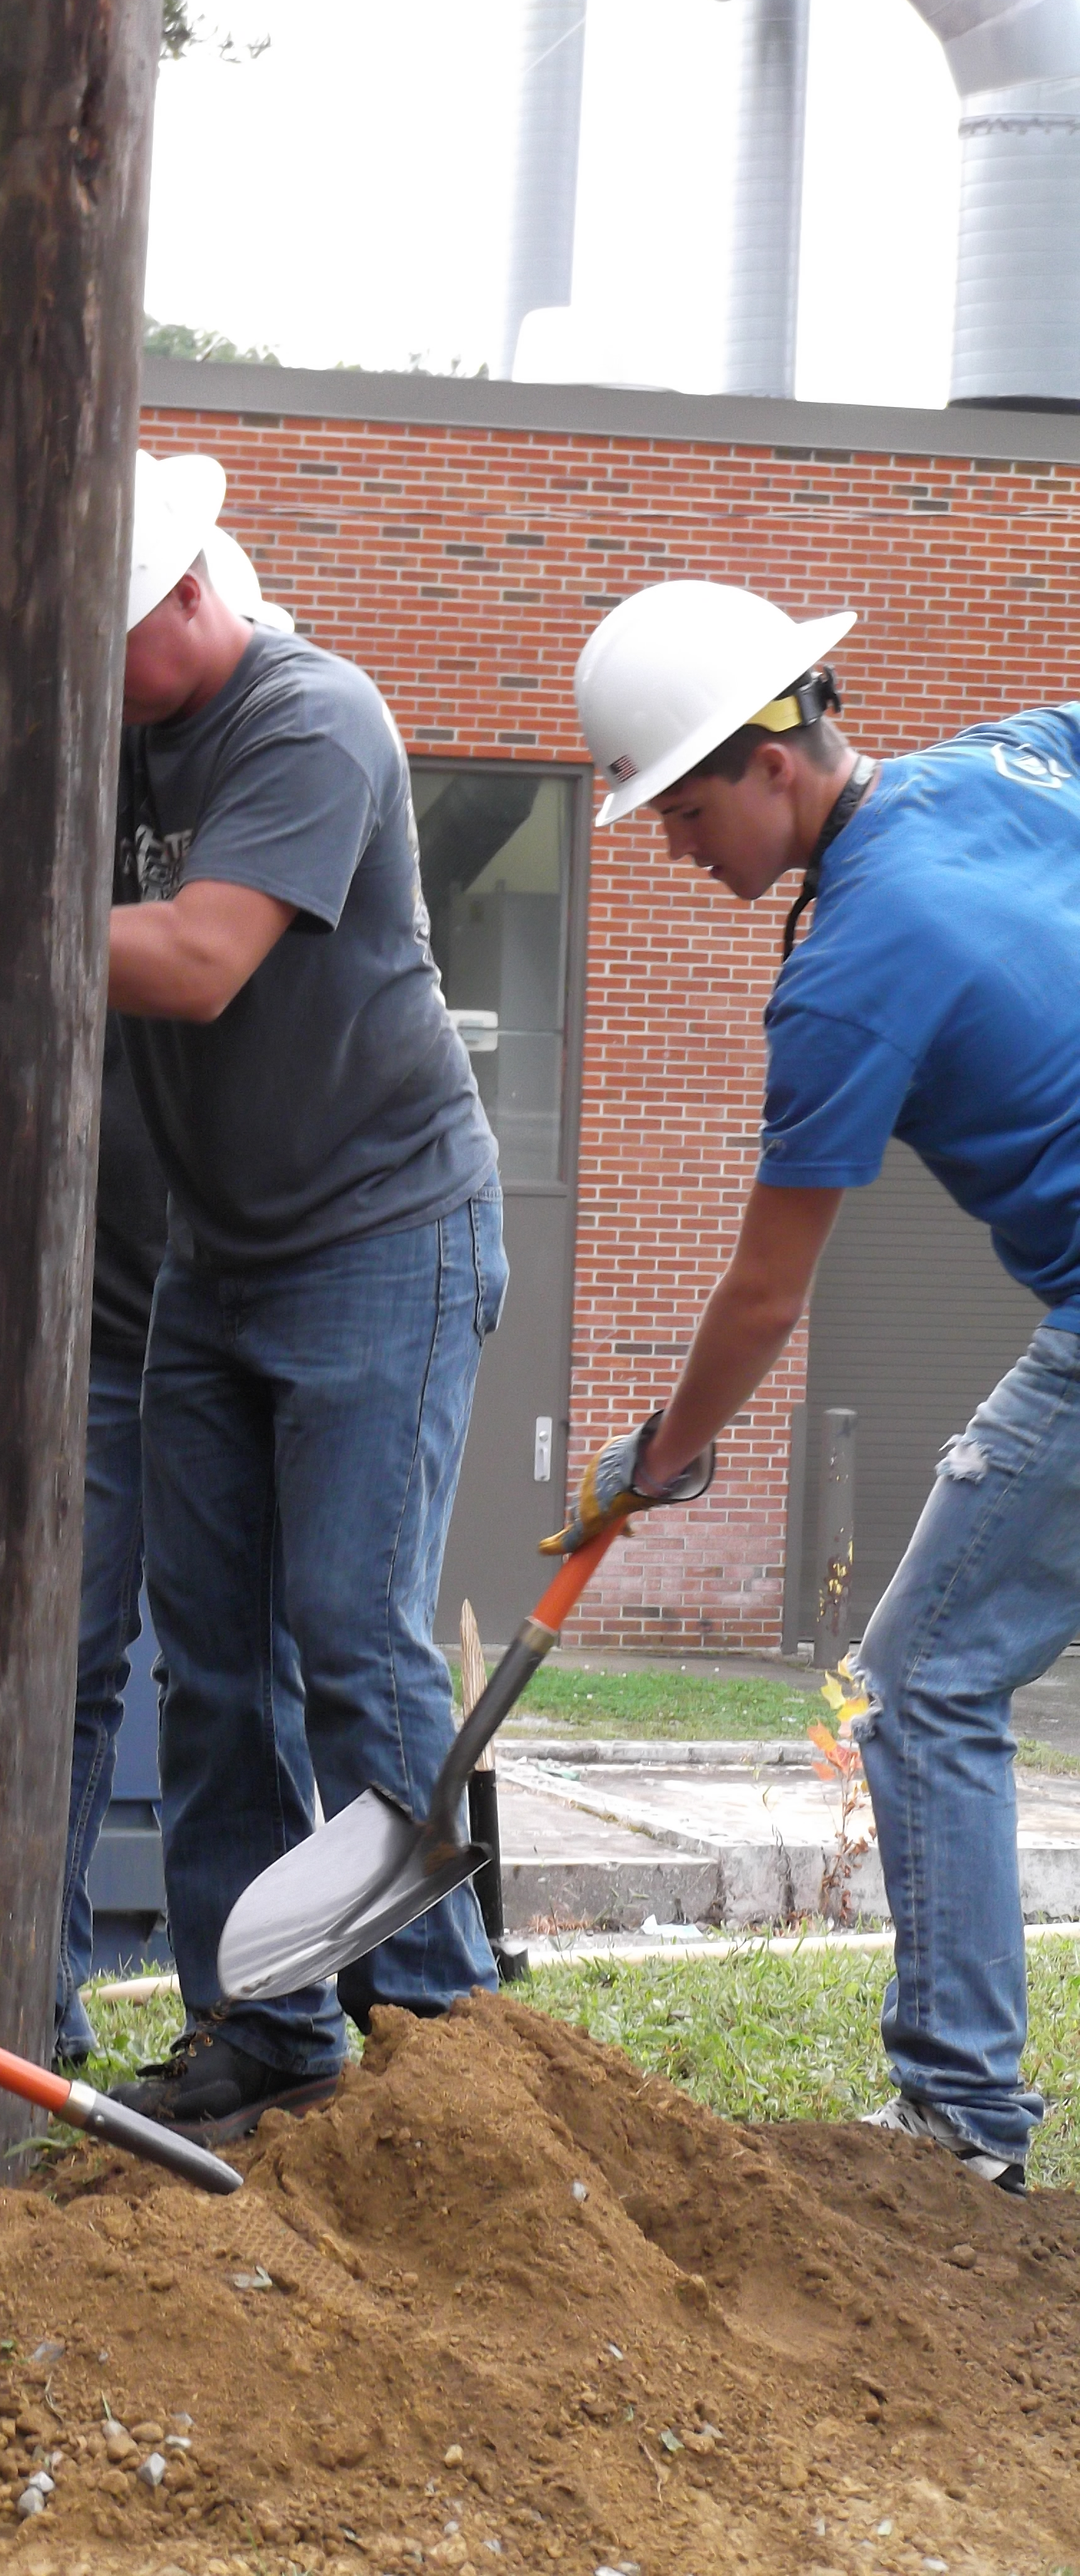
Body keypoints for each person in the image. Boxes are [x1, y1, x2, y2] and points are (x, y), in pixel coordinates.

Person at [555, 577, 1080, 2198]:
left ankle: (962, 2119)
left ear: (773, 763)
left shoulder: (848, 971)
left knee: (923, 1683)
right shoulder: (1006, 764)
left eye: (682, 810)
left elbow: (766, 1291)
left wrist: (660, 1456)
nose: (671, 849)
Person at [104, 450, 506, 2144]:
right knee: (212, 1659)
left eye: (106, 633)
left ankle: (444, 2041)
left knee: (352, 1635)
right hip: (218, 1255)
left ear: (193, 592)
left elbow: (199, 960)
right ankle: (266, 2029)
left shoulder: (313, 717)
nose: (86, 670)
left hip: (383, 1232)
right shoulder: (118, 729)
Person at [53, 518, 296, 2068]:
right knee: (66, 1657)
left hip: (226, 1299)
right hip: (96, 1313)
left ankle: (253, 2011)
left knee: (237, 1670)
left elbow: (209, 964)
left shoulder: (282, 759)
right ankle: (23, 2000)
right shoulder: (104, 775)